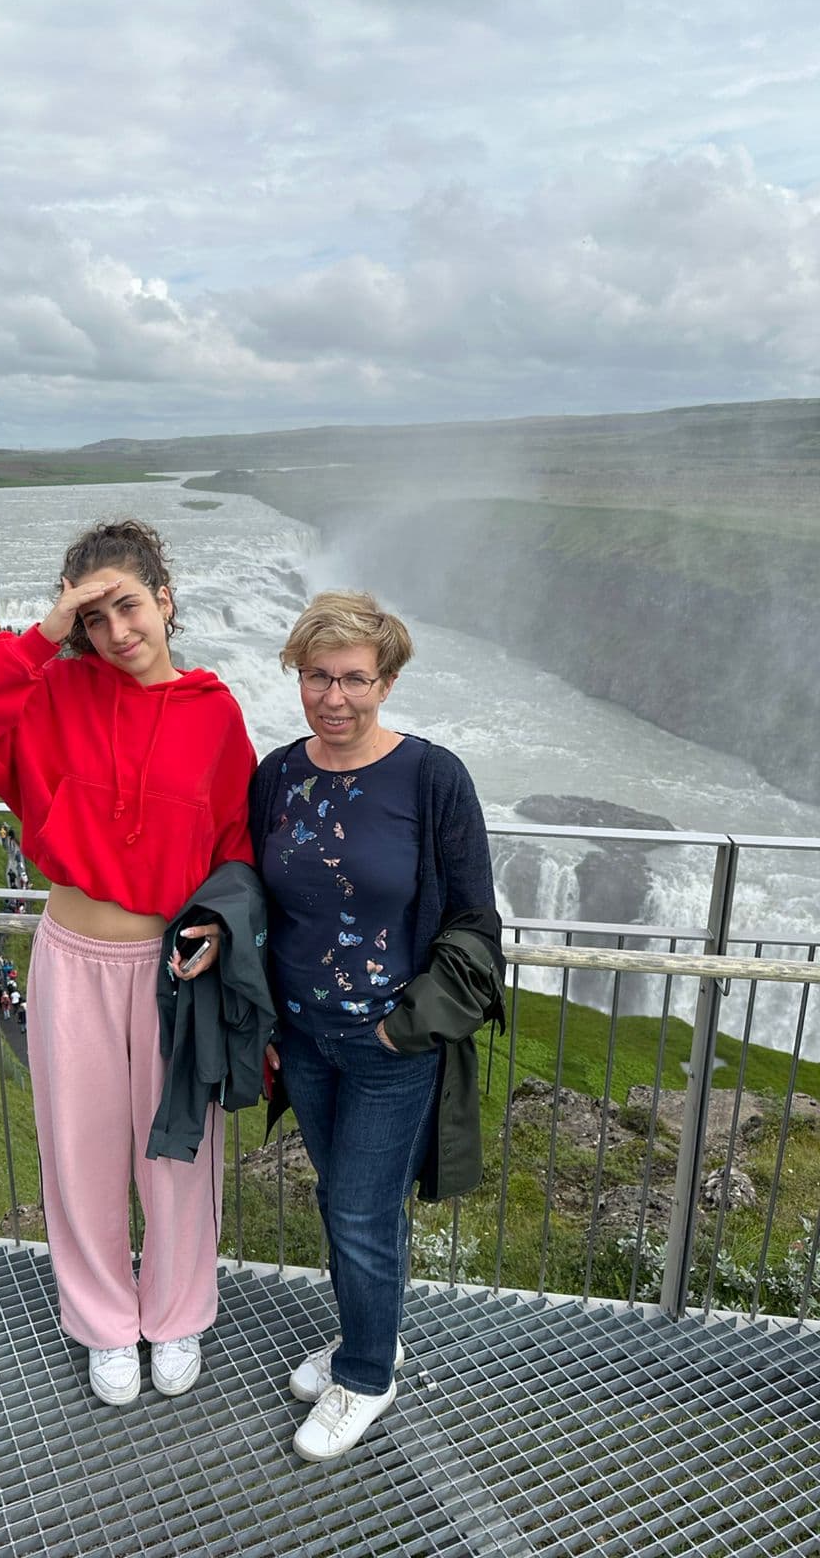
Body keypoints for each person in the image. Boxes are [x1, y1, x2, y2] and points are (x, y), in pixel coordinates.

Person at [0, 519, 256, 1406]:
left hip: (173, 967)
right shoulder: (51, 694)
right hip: (71, 959)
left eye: (129, 606)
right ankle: (104, 1319)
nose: (116, 632)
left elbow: (237, 843)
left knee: (180, 1149)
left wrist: (222, 931)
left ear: (166, 601)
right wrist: (42, 636)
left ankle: (177, 1311)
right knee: (80, 1149)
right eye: (93, 617)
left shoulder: (214, 713)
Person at [250, 591, 502, 1464]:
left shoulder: (432, 778)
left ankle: (364, 1376)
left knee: (357, 1209)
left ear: (387, 682)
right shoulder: (278, 775)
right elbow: (264, 899)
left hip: (389, 1045)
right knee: (348, 1200)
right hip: (305, 1037)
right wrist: (266, 1016)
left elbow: (474, 919)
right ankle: (373, 1335)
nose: (334, 697)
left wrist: (407, 1028)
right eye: (317, 676)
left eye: (355, 678)